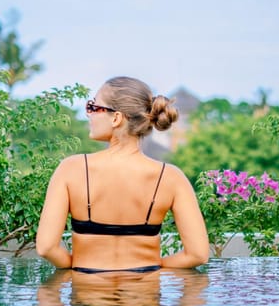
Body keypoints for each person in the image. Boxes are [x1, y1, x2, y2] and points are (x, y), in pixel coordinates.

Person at [36, 76, 209, 272]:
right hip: (144, 296)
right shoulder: (171, 177)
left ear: (116, 118)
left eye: (93, 107)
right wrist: (152, 265)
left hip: (89, 295)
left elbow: (46, 247)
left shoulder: (71, 169)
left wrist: (79, 264)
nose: (89, 114)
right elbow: (198, 254)